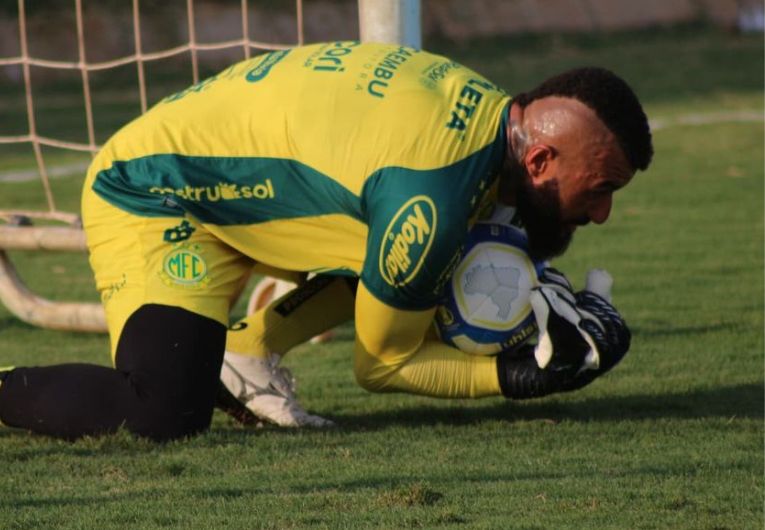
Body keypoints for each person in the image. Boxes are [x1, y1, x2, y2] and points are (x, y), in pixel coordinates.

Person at [0, 41, 652, 440]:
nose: (600, 214)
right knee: (162, 413)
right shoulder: (434, 194)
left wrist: (526, 286)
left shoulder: (484, 120)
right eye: (598, 188)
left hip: (232, 175)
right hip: (153, 190)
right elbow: (383, 364)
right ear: (537, 162)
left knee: (426, 258)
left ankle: (248, 351)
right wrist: (518, 378)